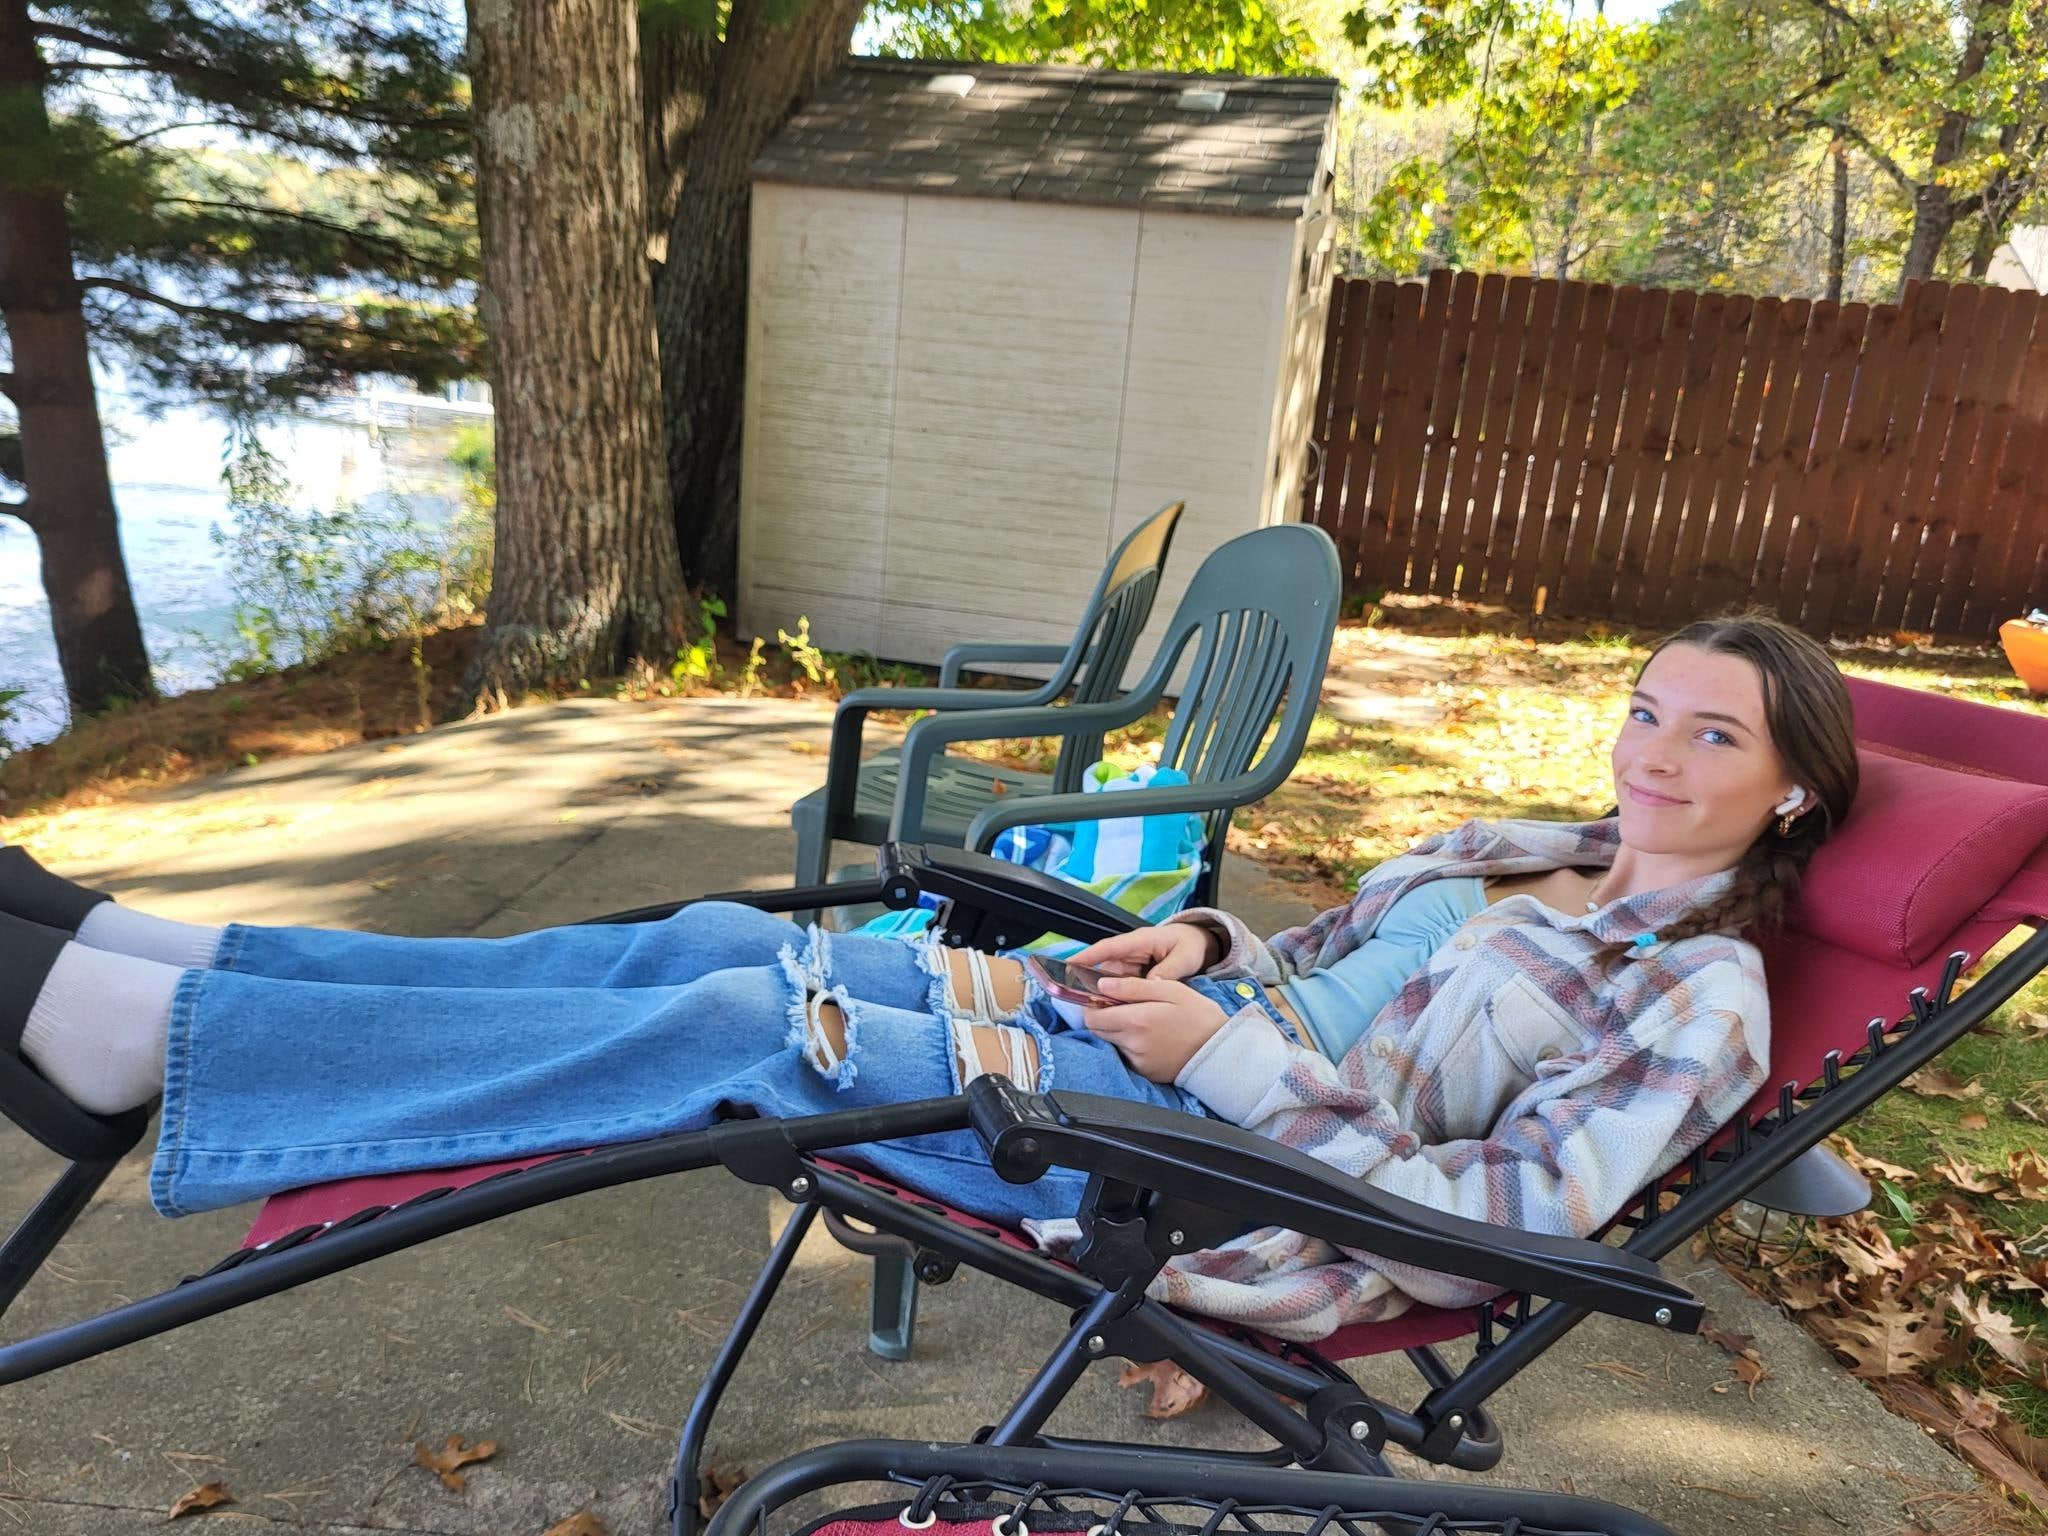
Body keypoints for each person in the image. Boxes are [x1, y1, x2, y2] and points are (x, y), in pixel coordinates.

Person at [0, 614, 1857, 1341]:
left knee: (746, 1030)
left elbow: (1486, 1234)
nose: (1656, 754)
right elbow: (1323, 962)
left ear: (1793, 790)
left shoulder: (1703, 1001)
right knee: (723, 942)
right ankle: (180, 970)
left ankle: (146, 1045)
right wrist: (1205, 948)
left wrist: (1218, 1060)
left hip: (1217, 1168)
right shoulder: (1514, 851)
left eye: (1717, 738)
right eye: (1646, 711)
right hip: (1157, 1041)